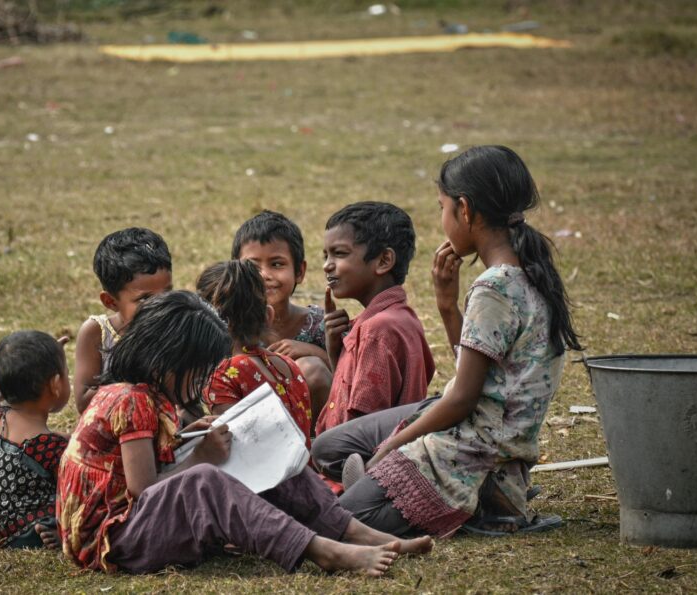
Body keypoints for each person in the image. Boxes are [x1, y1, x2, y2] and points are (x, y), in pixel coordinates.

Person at [56, 292, 432, 575]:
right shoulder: (130, 399)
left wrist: (187, 438)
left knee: (260, 448)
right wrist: (199, 456)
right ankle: (322, 551)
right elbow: (144, 489)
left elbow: (147, 465)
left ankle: (351, 529)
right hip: (111, 541)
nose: (201, 379)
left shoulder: (147, 393)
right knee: (205, 480)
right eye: (197, 370)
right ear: (167, 360)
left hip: (135, 522)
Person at [326, 145, 582, 538]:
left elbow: (462, 399)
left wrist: (392, 447)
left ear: (464, 209)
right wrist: (447, 305)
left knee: (343, 522)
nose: (442, 220)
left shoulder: (494, 288)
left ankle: (484, 497)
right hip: (474, 418)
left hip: (478, 445)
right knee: (328, 448)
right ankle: (390, 481)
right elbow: (478, 374)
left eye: (442, 208)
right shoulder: (528, 271)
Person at [313, 202, 435, 448]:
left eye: (340, 253)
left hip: (354, 466)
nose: (327, 265)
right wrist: (336, 353)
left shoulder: (376, 331)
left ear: (384, 260)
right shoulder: (404, 318)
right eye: (326, 256)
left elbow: (360, 432)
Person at [232, 210, 331, 430]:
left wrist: (313, 351)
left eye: (276, 264)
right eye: (253, 266)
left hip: (310, 435)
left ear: (300, 271)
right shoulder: (225, 325)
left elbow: (350, 375)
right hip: (248, 429)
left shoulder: (318, 325)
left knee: (313, 369)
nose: (264, 275)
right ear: (235, 271)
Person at [197, 260, 312, 446]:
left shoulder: (223, 375)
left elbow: (236, 448)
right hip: (304, 464)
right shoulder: (288, 365)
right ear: (268, 316)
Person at [0, 331, 70, 549]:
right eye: (66, 373)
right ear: (56, 385)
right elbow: (71, 492)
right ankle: (63, 532)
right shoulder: (50, 448)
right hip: (27, 530)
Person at [73, 228, 172, 414]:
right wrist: (131, 369)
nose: (161, 305)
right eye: (145, 299)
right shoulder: (97, 333)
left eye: (167, 293)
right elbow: (83, 404)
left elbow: (185, 398)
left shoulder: (175, 327)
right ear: (111, 302)